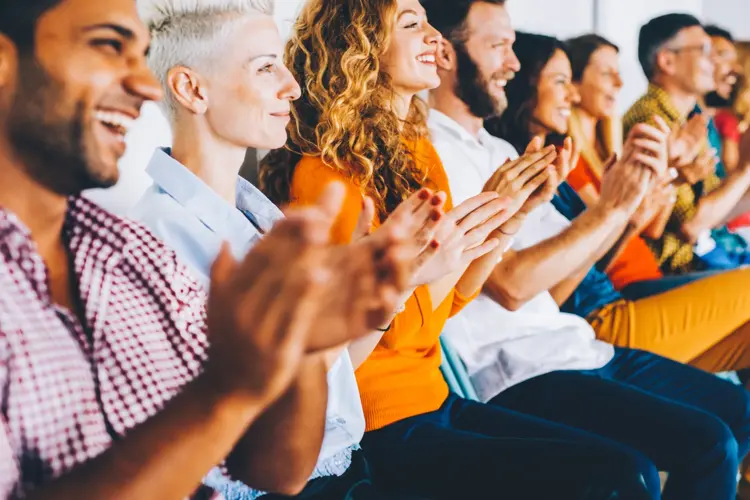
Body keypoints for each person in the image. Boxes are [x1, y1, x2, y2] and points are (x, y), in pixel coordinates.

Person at [0, 0, 418, 497]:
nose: (142, 84)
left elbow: (271, 469)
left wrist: (318, 340)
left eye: (138, 56)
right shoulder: (154, 237)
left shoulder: (119, 247)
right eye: (108, 45)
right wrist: (247, 379)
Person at [258, 1, 662, 499]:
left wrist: (502, 222)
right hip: (378, 423)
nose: (435, 38)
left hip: (434, 399)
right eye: (411, 24)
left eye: (430, 22)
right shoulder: (327, 175)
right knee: (616, 477)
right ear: (360, 49)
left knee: (633, 469)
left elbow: (448, 307)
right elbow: (381, 337)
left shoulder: (417, 151)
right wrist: (448, 255)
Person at [423, 1, 750, 498]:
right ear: (444, 54)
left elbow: (559, 287)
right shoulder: (430, 152)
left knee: (736, 419)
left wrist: (628, 201)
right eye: (498, 46)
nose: (511, 63)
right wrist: (613, 210)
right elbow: (511, 287)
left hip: (574, 340)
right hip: (516, 367)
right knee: (699, 448)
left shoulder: (502, 152)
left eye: (513, 48)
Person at [131, 1, 445, 498]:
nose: (292, 86)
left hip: (340, 468)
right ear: (192, 89)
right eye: (264, 68)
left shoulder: (259, 218)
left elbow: (331, 382)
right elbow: (238, 444)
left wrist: (389, 289)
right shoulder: (156, 241)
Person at [623, 14, 750, 274]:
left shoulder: (688, 119)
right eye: (704, 50)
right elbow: (691, 226)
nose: (714, 61)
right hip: (672, 270)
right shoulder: (650, 120)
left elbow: (715, 212)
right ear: (667, 60)